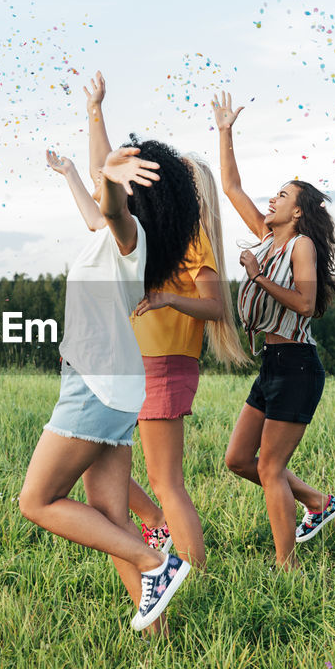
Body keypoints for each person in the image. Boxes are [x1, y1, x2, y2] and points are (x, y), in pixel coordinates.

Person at [21, 137, 200, 631]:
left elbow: (114, 212)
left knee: (37, 501)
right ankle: (159, 630)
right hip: (114, 385)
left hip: (95, 385)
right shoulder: (114, 237)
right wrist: (75, 173)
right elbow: (97, 215)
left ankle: (156, 562)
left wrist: (109, 180)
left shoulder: (131, 233)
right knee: (111, 516)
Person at [81, 72, 248, 571]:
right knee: (95, 461)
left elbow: (217, 308)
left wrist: (164, 300)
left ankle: (195, 574)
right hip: (134, 366)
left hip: (164, 367)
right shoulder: (146, 235)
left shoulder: (192, 241)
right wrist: (95, 111)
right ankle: (155, 525)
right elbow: (105, 175)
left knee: (166, 482)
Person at [211, 91, 335, 570]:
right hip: (273, 364)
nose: (273, 199)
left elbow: (307, 305)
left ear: (297, 212)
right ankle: (319, 502)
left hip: (297, 365)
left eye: (282, 196)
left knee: (269, 467)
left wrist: (258, 277)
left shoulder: (301, 246)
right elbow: (231, 187)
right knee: (238, 460)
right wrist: (225, 131)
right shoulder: (269, 238)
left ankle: (285, 566)